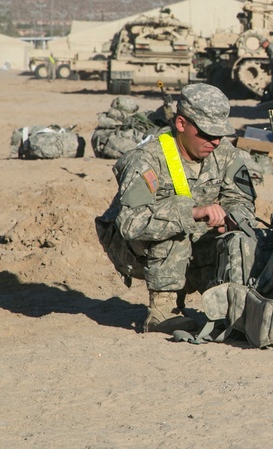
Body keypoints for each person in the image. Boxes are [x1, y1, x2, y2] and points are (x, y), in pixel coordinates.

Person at [96, 83, 256, 333]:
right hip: (134, 250)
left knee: (245, 238)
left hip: (194, 245)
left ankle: (232, 306)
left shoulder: (224, 152)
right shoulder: (147, 158)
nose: (215, 141)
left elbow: (242, 201)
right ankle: (162, 310)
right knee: (179, 215)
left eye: (220, 134)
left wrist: (231, 218)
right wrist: (192, 213)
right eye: (206, 133)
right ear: (181, 124)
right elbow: (130, 223)